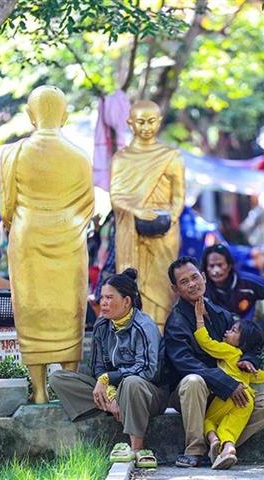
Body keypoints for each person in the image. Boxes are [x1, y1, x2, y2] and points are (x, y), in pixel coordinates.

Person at [0, 85, 94, 403]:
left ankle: (39, 390)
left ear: (30, 115)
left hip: (28, 239)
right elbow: (88, 206)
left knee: (31, 311)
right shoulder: (79, 157)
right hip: (69, 239)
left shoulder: (13, 154)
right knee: (69, 312)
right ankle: (67, 389)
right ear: (64, 116)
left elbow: (6, 209)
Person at [164, 256, 264, 468]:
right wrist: (226, 383)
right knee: (193, 381)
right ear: (175, 289)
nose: (192, 284)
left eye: (195, 277)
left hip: (223, 395)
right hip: (192, 394)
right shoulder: (176, 322)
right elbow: (185, 363)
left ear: (204, 277)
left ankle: (221, 445)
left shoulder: (220, 314)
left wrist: (247, 360)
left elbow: (248, 343)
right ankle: (195, 449)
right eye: (184, 282)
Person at [49, 269, 167, 468]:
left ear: (127, 301)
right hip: (115, 392)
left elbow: (149, 371)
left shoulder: (143, 327)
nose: (102, 302)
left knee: (132, 383)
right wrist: (111, 394)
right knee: (58, 378)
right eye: (102, 297)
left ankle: (136, 447)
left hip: (147, 394)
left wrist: (108, 379)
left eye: (109, 298)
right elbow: (97, 366)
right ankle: (111, 406)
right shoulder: (102, 325)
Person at [110, 100, 185, 331]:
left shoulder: (171, 156)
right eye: (140, 122)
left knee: (163, 288)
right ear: (130, 123)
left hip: (164, 234)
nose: (146, 127)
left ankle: (161, 335)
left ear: (159, 122)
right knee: (132, 285)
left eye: (151, 121)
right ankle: (134, 335)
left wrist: (168, 220)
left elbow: (179, 196)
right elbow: (116, 196)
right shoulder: (122, 158)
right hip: (131, 230)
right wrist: (138, 212)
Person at [193, 307, 264, 469]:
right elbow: (262, 377)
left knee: (209, 420)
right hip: (247, 399)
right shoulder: (243, 360)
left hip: (228, 395)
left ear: (243, 341)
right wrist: (253, 370)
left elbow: (206, 342)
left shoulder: (229, 351)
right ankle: (228, 448)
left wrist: (199, 320)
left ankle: (213, 440)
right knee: (231, 426)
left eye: (233, 331)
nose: (227, 332)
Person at [201, 244, 264, 322]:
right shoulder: (203, 288)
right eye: (211, 266)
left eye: (220, 265)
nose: (216, 270)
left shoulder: (247, 281)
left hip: (249, 326)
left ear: (229, 266)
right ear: (206, 268)